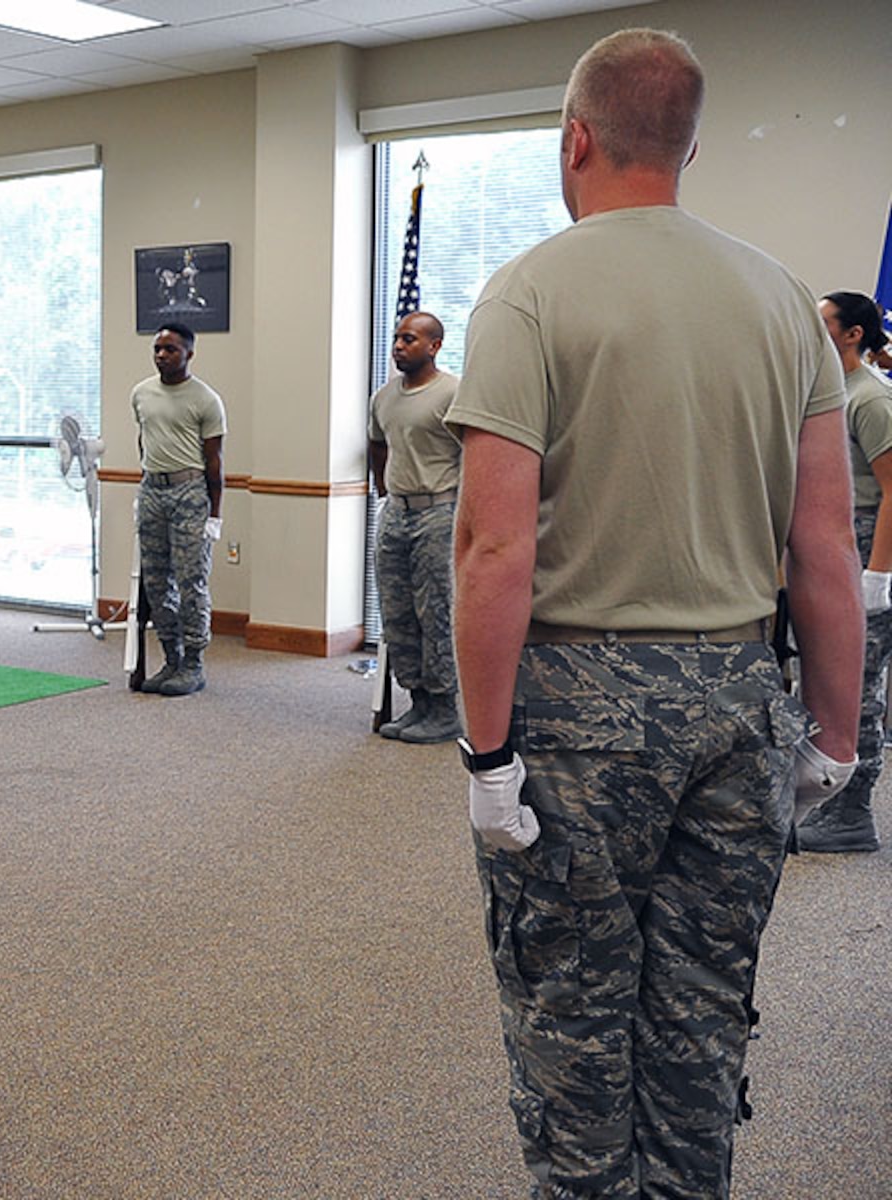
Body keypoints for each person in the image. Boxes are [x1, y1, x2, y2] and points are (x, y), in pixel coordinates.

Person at [448, 29, 861, 1198]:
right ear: (690, 147)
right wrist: (832, 738)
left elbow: (490, 547)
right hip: (738, 707)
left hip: (579, 720)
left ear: (572, 138)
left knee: (577, 1028)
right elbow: (822, 545)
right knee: (696, 1020)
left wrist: (483, 752)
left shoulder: (528, 291)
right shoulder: (783, 300)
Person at [798, 290, 892, 854]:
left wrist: (877, 574)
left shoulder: (870, 400)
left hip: (868, 549)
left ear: (852, 334)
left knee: (859, 686)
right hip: (842, 546)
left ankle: (852, 814)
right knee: (831, 679)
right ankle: (830, 800)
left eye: (823, 322)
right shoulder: (833, 393)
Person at [368, 311, 461, 743]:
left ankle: (444, 709)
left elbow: (476, 457)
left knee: (435, 612)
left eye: (409, 339)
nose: (399, 346)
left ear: (434, 345)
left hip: (439, 513)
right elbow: (377, 445)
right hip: (397, 513)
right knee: (398, 613)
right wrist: (385, 494)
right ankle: (417, 702)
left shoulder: (453, 394)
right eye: (396, 338)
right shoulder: (384, 397)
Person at [131, 322, 224, 696]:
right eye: (157, 349)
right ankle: (171, 658)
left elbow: (215, 461)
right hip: (153, 488)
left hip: (191, 492)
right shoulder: (140, 393)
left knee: (191, 583)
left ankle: (193, 664)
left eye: (170, 349)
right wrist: (147, 482)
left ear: (189, 354)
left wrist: (214, 515)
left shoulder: (205, 400)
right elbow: (145, 440)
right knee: (156, 582)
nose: (162, 356)